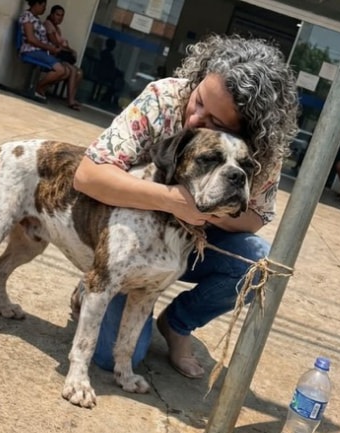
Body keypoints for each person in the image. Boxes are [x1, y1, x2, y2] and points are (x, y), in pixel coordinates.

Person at [70, 34, 301, 378]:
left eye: (216, 123)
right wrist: (175, 201)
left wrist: (209, 208)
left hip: (195, 243)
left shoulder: (261, 148)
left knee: (257, 263)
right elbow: (87, 175)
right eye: (199, 101)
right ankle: (103, 274)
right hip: (133, 239)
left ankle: (178, 324)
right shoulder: (163, 97)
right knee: (111, 358)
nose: (194, 119)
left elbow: (255, 218)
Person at [18, 0, 82, 110]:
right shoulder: (27, 17)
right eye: (43, 6)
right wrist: (49, 47)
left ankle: (41, 88)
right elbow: (31, 39)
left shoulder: (36, 19)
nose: (44, 9)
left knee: (67, 72)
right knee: (61, 70)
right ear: (36, 4)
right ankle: (38, 88)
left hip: (42, 50)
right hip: (31, 50)